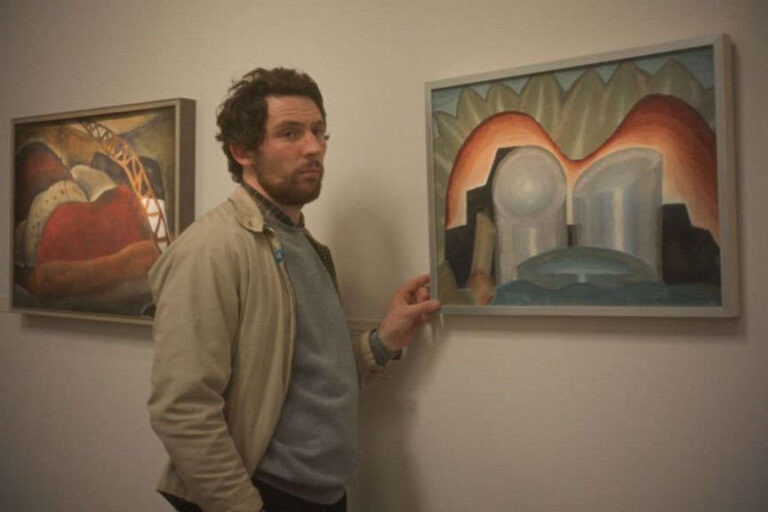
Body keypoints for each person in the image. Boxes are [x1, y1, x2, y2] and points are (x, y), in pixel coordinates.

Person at [147, 67, 440, 512]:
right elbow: (181, 408)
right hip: (263, 495)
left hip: (323, 495)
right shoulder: (211, 249)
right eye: (290, 133)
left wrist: (385, 339)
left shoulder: (305, 246)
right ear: (243, 151)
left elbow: (309, 377)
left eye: (319, 131)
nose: (314, 147)